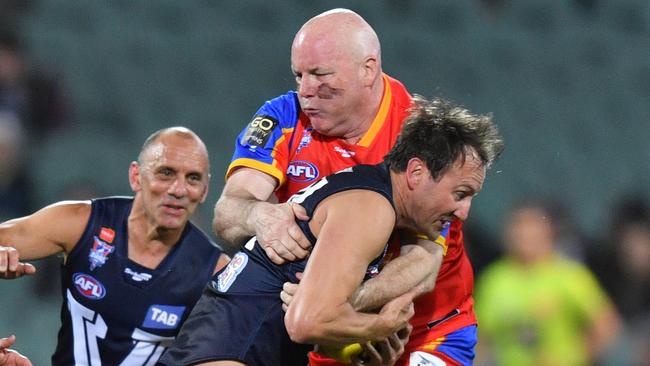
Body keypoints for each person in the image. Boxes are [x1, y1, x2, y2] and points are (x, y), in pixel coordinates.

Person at [211, 8, 481, 365]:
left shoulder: (419, 133)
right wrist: (259, 215)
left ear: (367, 69)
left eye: (320, 74)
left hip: (426, 330)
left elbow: (424, 260)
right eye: (298, 75)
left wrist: (336, 302)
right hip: (329, 336)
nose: (306, 90)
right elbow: (228, 211)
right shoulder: (283, 117)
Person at [158, 95, 504, 366]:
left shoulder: (364, 191)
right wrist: (378, 325)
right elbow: (305, 322)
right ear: (415, 173)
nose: (463, 211)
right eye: (460, 194)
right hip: (227, 352)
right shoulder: (370, 209)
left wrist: (354, 343)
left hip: (216, 347)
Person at [0, 127, 229, 365]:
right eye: (166, 173)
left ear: (204, 191)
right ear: (136, 176)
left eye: (193, 178)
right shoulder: (81, 223)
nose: (178, 190)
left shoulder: (216, 274)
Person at [474, 197, 621, 366]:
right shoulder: (495, 279)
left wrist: (573, 358)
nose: (524, 234)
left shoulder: (569, 275)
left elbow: (606, 326)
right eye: (518, 226)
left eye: (532, 227)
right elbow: (479, 336)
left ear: (549, 231)